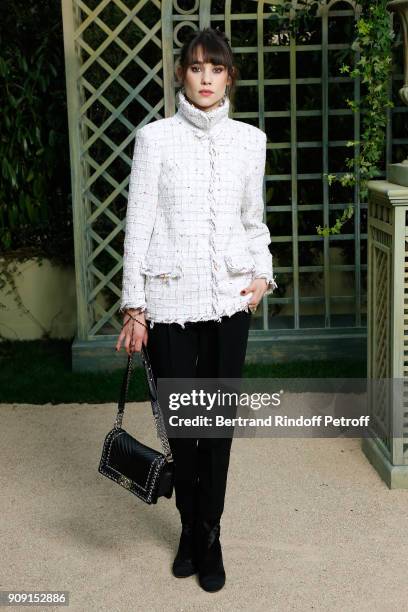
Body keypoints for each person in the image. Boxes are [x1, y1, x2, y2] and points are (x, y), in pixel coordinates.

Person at [115, 27, 277, 593]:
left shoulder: (250, 140)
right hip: (169, 302)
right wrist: (135, 306)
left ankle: (209, 534)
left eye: (216, 68)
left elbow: (253, 220)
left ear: (229, 77)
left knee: (218, 430)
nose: (205, 78)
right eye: (195, 68)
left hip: (232, 303)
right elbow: (138, 226)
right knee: (183, 430)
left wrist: (263, 276)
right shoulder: (154, 139)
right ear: (181, 75)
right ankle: (190, 528)